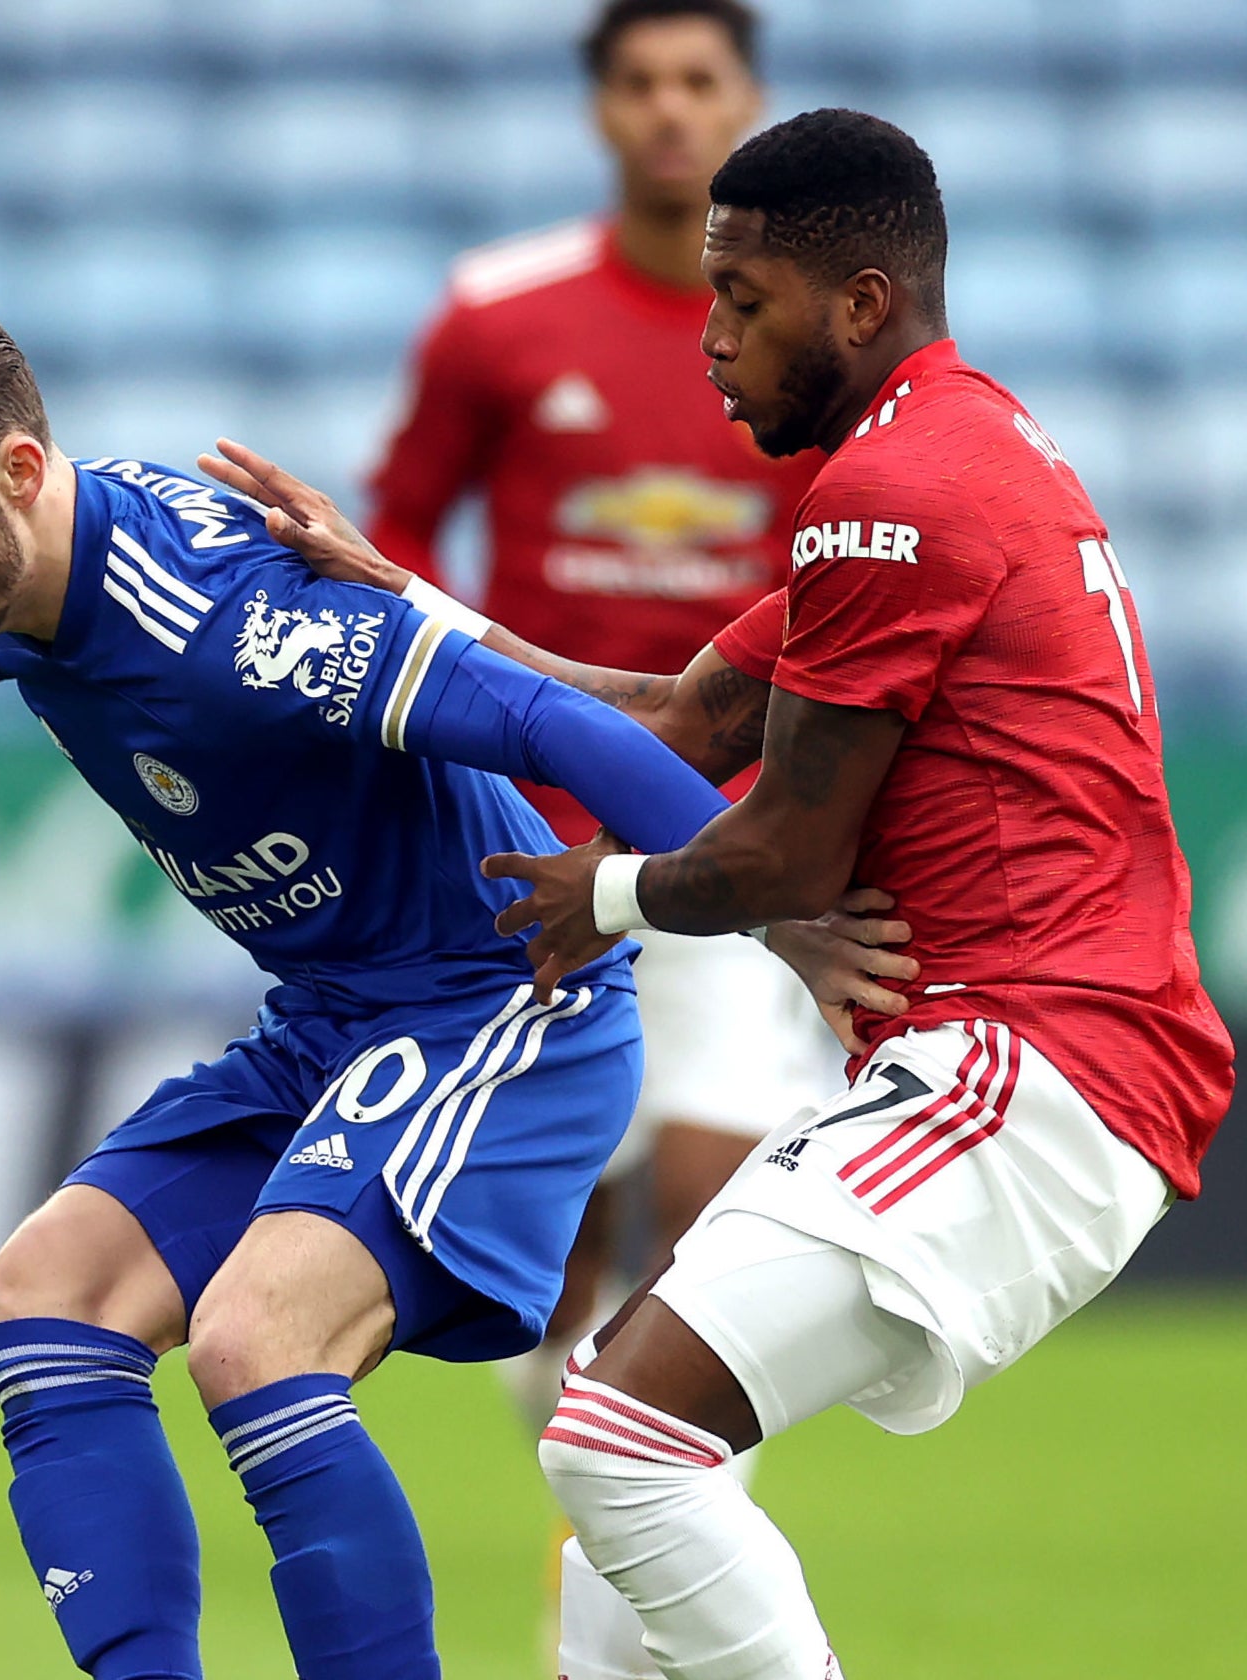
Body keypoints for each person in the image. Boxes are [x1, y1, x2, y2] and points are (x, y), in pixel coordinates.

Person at [203, 107, 1237, 1680]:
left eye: (743, 302)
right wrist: (396, 591)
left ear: (859, 303)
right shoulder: (953, 448)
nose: (710, 342)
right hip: (1017, 1067)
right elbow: (683, 720)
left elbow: (786, 860)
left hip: (1035, 1066)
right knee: (637, 1444)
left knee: (612, 1437)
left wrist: (596, 895)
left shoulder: (894, 495)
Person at [0, 290, 908, 1680]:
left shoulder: (234, 623)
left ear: (13, 475)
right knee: (41, 1302)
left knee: (256, 1342)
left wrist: (777, 914)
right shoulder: (25, 563)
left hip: (494, 1010)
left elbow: (546, 717)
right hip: (334, 1024)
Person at [367, 0, 845, 1544]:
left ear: (747, 102)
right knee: (556, 1254)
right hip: (525, 832)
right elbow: (392, 539)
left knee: (711, 1197)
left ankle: (644, 1514)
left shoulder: (809, 337)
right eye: (637, 82)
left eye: (697, 81)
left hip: (718, 824)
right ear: (598, 111)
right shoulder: (497, 316)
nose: (666, 110)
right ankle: (604, 1454)